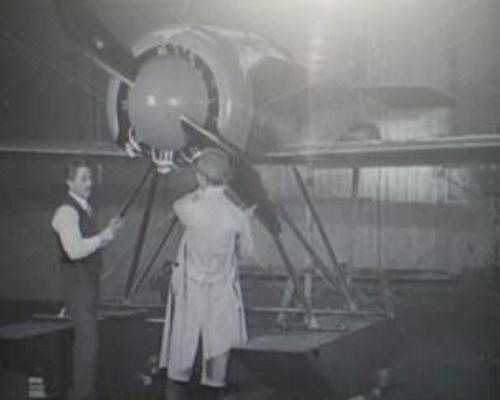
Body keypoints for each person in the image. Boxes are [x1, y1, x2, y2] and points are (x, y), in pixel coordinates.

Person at [159, 147, 254, 400]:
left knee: (180, 357)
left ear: (200, 178)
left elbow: (177, 204)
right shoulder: (237, 216)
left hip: (191, 291)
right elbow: (245, 253)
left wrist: (200, 191)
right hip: (221, 292)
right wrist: (243, 223)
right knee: (217, 358)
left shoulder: (188, 209)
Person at [51, 159, 123, 400]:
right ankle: (82, 396)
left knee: (89, 345)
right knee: (87, 345)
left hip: (87, 286)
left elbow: (88, 244)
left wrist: (108, 233)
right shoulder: (66, 212)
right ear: (69, 182)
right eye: (83, 179)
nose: (89, 183)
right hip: (78, 286)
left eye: (90, 178)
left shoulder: (84, 208)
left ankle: (85, 394)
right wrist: (103, 237)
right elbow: (74, 251)